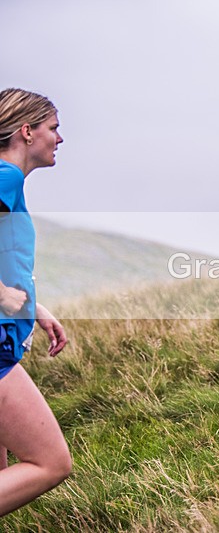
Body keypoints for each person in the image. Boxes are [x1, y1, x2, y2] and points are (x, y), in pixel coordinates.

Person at [0, 88, 71, 515]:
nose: (59, 138)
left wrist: (34, 307)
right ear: (27, 131)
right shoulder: (4, 178)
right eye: (54, 128)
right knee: (51, 463)